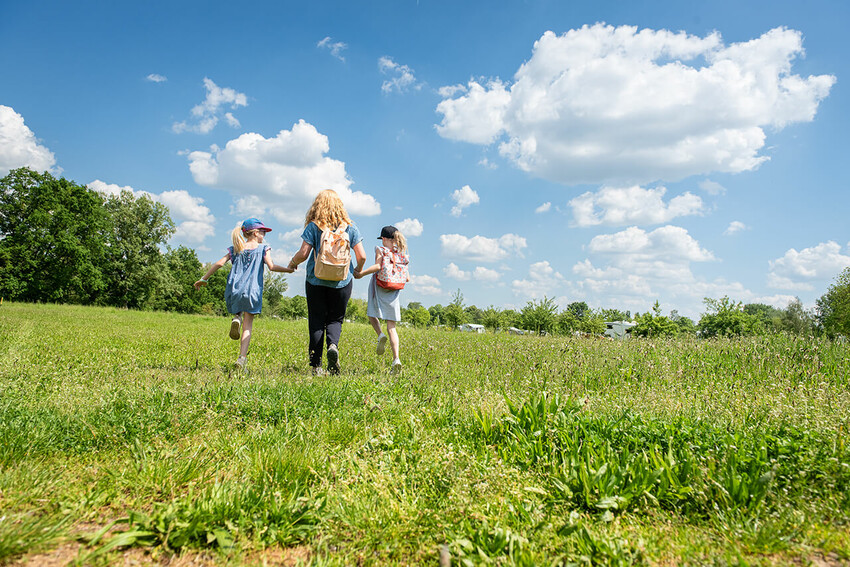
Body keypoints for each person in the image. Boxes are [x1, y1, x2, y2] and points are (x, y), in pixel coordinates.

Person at [194, 218, 294, 369]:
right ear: (255, 233)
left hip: (234, 289)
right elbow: (272, 267)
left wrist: (203, 279)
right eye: (262, 232)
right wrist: (289, 269)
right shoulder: (263, 249)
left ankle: (237, 317)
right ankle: (242, 358)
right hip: (252, 291)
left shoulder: (235, 248)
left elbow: (219, 263)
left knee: (239, 309)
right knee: (248, 327)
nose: (264, 236)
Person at [287, 190, 366, 375]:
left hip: (316, 280)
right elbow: (362, 256)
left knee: (316, 321)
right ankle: (333, 346)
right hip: (342, 281)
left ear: (317, 206)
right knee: (335, 319)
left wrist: (292, 263)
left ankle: (316, 367)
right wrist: (358, 270)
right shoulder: (350, 227)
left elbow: (303, 253)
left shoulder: (313, 227)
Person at [354, 225, 409, 373]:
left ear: (384, 238)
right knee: (392, 327)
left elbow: (378, 266)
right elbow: (407, 278)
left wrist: (361, 273)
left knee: (372, 313)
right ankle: (396, 358)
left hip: (379, 286)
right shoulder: (401, 253)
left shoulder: (381, 249)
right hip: (394, 290)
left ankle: (380, 334)